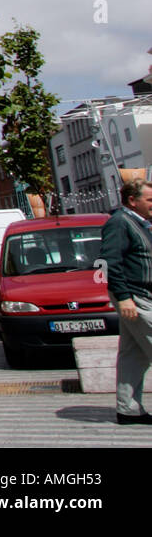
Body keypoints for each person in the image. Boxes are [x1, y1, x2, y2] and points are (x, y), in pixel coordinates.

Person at [99, 179, 152, 425]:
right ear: (133, 200)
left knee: (134, 354)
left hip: (141, 295)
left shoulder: (141, 223)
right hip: (136, 296)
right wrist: (123, 297)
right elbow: (109, 262)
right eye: (150, 200)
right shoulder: (120, 222)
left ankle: (128, 409)